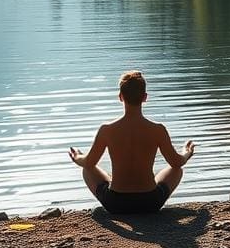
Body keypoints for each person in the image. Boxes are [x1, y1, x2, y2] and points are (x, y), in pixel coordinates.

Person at [68, 70, 195, 214]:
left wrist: (77, 156)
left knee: (87, 170)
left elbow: (89, 163)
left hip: (116, 203)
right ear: (145, 97)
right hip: (149, 202)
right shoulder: (157, 130)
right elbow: (176, 163)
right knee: (177, 170)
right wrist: (186, 153)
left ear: (120, 97)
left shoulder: (107, 130)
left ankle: (116, 184)